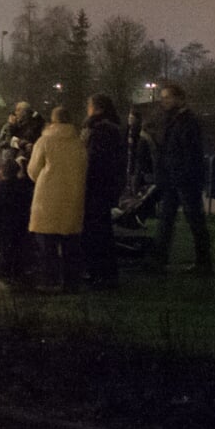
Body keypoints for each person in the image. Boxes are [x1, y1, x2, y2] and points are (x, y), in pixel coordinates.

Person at [154, 83, 212, 275]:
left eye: (167, 98)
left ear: (179, 98)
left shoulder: (186, 122)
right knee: (168, 219)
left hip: (184, 179)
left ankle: (202, 263)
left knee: (193, 220)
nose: (164, 102)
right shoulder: (175, 120)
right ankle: (159, 260)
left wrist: (183, 174)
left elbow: (190, 152)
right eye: (163, 98)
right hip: (174, 178)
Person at [27, 105, 87, 292]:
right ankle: (71, 281)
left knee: (47, 243)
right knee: (71, 243)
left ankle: (49, 280)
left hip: (47, 197)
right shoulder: (78, 142)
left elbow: (33, 170)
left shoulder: (44, 141)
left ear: (52, 121)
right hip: (72, 195)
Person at [82, 94, 126, 289]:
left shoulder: (100, 130)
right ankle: (100, 272)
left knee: (97, 230)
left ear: (97, 108)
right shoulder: (112, 129)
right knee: (101, 229)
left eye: (89, 106)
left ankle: (101, 273)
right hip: (107, 186)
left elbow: (95, 161)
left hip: (97, 186)